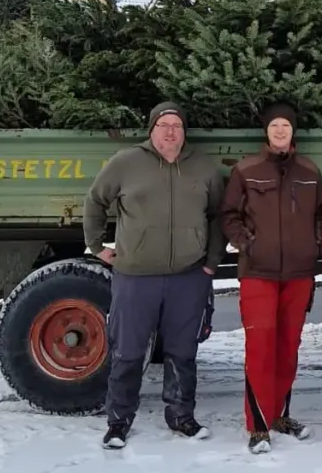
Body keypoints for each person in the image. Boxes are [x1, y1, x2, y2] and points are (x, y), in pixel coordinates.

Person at [83, 101, 224, 447]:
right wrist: (96, 246)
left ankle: (180, 415)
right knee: (128, 351)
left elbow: (220, 215)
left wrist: (211, 263)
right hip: (135, 276)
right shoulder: (126, 162)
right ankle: (118, 421)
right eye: (164, 125)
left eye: (177, 125)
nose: (171, 131)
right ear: (152, 131)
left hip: (188, 276)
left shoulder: (203, 167)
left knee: (182, 352)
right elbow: (95, 201)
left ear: (184, 131)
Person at [222, 101, 322, 454]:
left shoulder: (309, 171)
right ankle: (258, 425)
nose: (280, 131)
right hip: (259, 274)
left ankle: (279, 414)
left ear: (293, 131)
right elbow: (229, 215)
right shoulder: (246, 170)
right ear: (266, 131)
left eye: (286, 125)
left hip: (298, 274)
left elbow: (321, 213)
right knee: (261, 349)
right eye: (274, 125)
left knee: (288, 348)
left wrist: (317, 240)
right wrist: (246, 243)